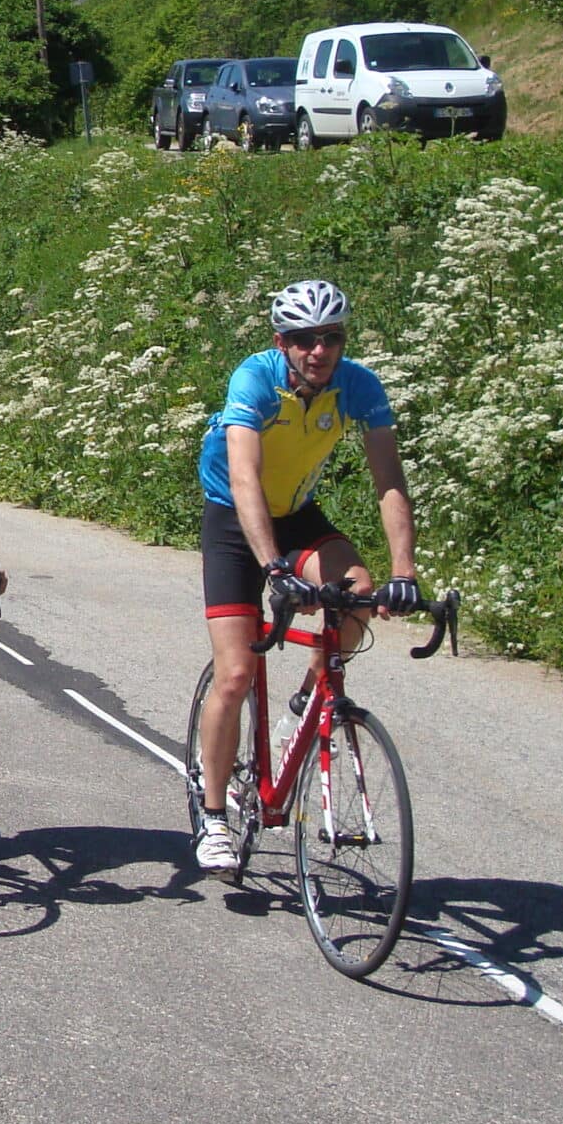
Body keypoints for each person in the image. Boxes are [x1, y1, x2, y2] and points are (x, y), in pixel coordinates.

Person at [191, 279, 421, 877]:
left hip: (296, 515)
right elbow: (245, 479)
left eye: (331, 338)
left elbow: (388, 479)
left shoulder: (359, 387)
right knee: (237, 672)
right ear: (281, 342)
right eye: (304, 340)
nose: (319, 350)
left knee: (358, 595)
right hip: (235, 523)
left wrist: (406, 571)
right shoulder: (256, 379)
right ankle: (215, 813)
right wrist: (272, 568)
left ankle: (305, 703)